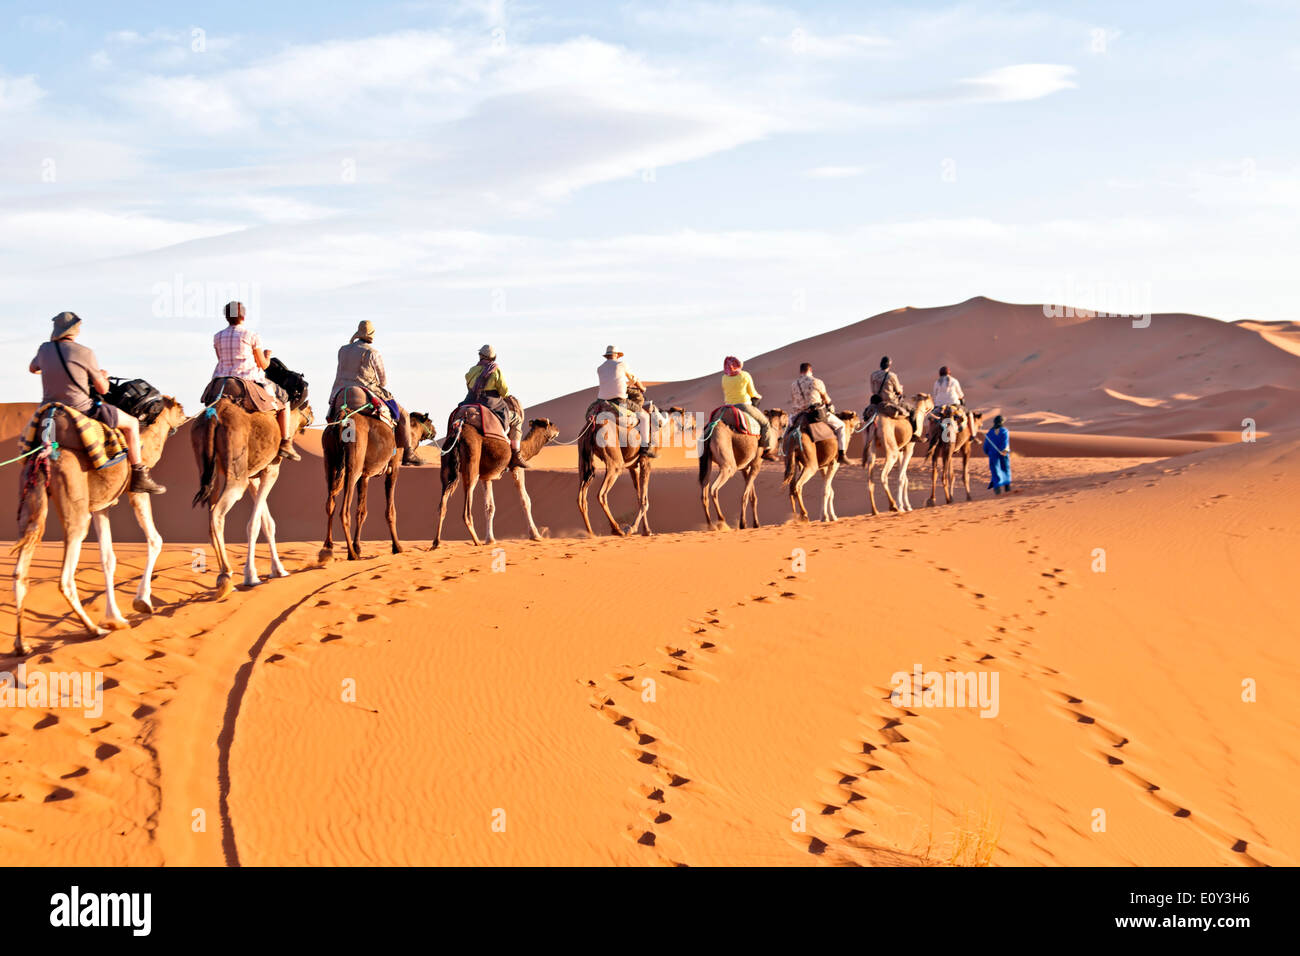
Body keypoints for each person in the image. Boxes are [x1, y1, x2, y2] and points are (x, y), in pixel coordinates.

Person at [30, 311, 165, 494]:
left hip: (48, 410)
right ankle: (140, 475)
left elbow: (33, 369)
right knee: (132, 424)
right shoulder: (85, 353)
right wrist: (102, 376)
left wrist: (50, 370)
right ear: (75, 330)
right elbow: (102, 389)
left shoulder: (44, 349)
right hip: (81, 408)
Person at [210, 301, 299, 461]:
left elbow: (221, 359)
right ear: (243, 315)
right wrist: (267, 355)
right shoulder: (251, 336)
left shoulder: (217, 337)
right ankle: (285, 442)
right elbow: (263, 365)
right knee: (284, 399)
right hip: (248, 379)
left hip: (221, 381)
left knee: (210, 406)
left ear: (226, 317)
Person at [329, 321, 423, 466]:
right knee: (403, 414)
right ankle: (408, 452)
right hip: (365, 391)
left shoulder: (343, 350)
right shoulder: (373, 353)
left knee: (332, 416)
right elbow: (383, 381)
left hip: (339, 393)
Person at [464, 344, 526, 469]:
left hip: (469, 402)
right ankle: (516, 454)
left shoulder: (471, 371)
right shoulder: (495, 370)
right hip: (490, 404)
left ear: (480, 355)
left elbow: (468, 385)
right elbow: (504, 392)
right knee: (517, 419)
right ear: (493, 357)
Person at [596, 345, 656, 457]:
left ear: (607, 356)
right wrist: (642, 388)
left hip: (601, 401)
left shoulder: (600, 368)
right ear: (617, 355)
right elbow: (634, 378)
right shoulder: (621, 365)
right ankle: (645, 447)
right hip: (619, 401)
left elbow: (611, 382)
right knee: (645, 417)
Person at [790, 362, 848, 464]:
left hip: (798, 415)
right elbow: (826, 399)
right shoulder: (816, 381)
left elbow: (794, 400)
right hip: (815, 413)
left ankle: (782, 448)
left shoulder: (793, 384)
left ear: (800, 371)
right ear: (810, 370)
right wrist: (830, 406)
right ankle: (842, 454)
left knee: (788, 428)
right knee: (841, 426)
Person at [720, 356, 771, 450]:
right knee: (765, 423)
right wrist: (759, 396)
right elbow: (752, 393)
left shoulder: (724, 377)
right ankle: (765, 447)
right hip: (743, 405)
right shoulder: (745, 375)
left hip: (727, 407)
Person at [868, 356, 919, 442]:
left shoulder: (873, 375)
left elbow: (873, 390)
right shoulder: (892, 375)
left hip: (877, 402)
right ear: (889, 365)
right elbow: (898, 391)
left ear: (880, 364)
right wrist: (900, 389)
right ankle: (913, 435)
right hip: (891, 402)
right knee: (913, 410)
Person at [982, 414, 1012, 495]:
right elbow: (1005, 443)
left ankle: (997, 490)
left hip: (993, 455)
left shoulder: (989, 433)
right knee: (1005, 469)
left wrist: (988, 452)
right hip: (1003, 454)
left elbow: (985, 446)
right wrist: (1003, 451)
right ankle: (1007, 488)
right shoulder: (1004, 431)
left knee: (995, 471)